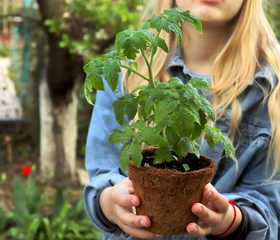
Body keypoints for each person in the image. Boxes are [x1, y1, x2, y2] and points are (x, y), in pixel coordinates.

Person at [83, 0, 280, 239]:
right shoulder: (126, 73)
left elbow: (271, 202)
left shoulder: (272, 89)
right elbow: (102, 174)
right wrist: (109, 203)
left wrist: (231, 221)